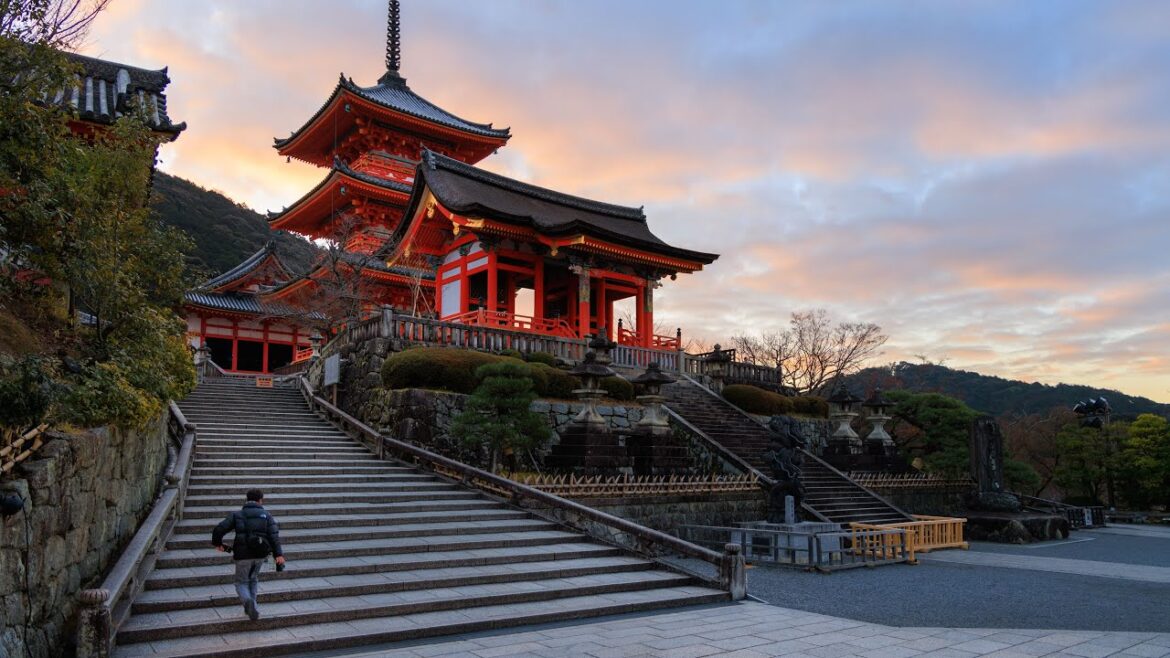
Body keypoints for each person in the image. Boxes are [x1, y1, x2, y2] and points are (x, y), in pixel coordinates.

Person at [211, 489, 285, 620]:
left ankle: (248, 603)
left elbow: (219, 530)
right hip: (261, 554)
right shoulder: (267, 515)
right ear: (260, 500)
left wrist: (219, 544)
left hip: (242, 555)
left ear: (247, 499)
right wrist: (278, 554)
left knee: (241, 582)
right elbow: (274, 536)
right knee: (253, 579)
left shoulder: (237, 515)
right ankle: (253, 606)